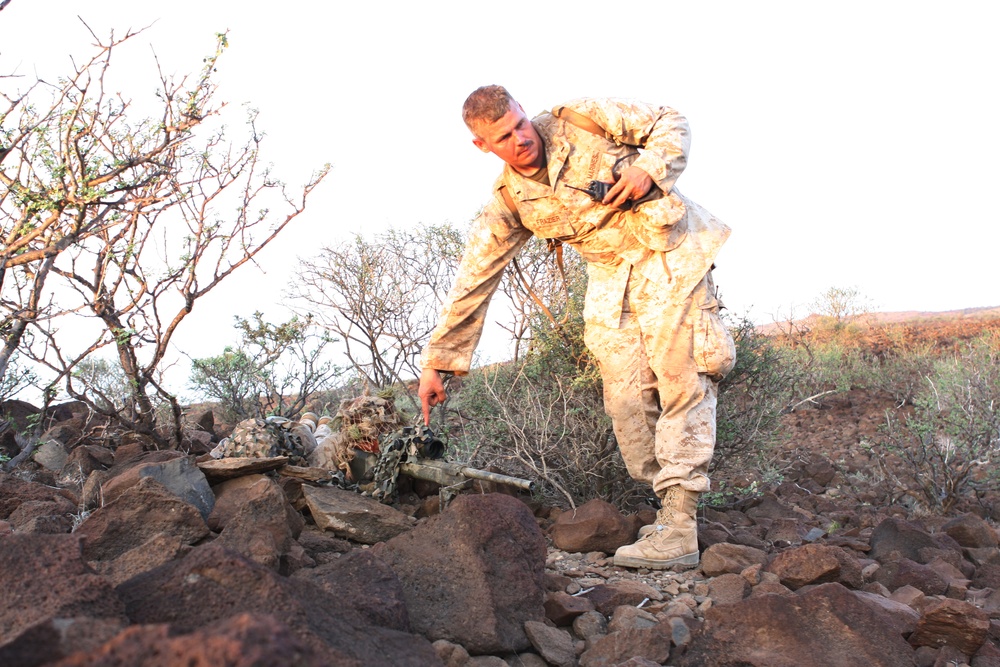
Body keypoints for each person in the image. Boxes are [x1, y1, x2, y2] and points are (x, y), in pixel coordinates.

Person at [418, 85, 736, 569]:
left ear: (524, 112)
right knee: (626, 405)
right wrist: (438, 363)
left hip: (669, 257)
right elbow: (474, 278)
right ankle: (670, 506)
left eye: (520, 124)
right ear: (483, 146)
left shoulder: (582, 120)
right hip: (611, 282)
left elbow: (671, 120)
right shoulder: (511, 200)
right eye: (504, 137)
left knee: (683, 380)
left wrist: (649, 167)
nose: (521, 139)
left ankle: (678, 523)